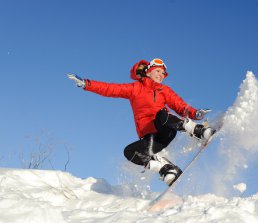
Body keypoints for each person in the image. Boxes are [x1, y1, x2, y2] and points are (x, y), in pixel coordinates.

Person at [67, 58, 215, 186]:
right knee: (129, 152)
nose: (161, 75)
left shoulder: (164, 90)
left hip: (165, 129)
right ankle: (166, 169)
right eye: (158, 71)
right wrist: (87, 84)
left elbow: (180, 106)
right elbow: (110, 88)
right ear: (148, 71)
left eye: (163, 73)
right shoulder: (135, 88)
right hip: (151, 139)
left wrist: (196, 113)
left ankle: (198, 131)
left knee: (161, 115)